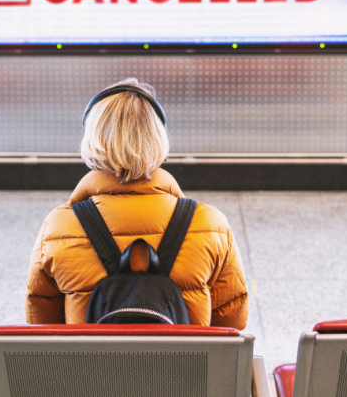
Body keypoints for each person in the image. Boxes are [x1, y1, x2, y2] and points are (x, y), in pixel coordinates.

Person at [25, 78, 249, 328]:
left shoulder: (58, 228)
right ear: (158, 140)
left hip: (92, 367)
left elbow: (42, 326)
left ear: (91, 140)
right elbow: (232, 323)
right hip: (183, 367)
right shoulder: (210, 225)